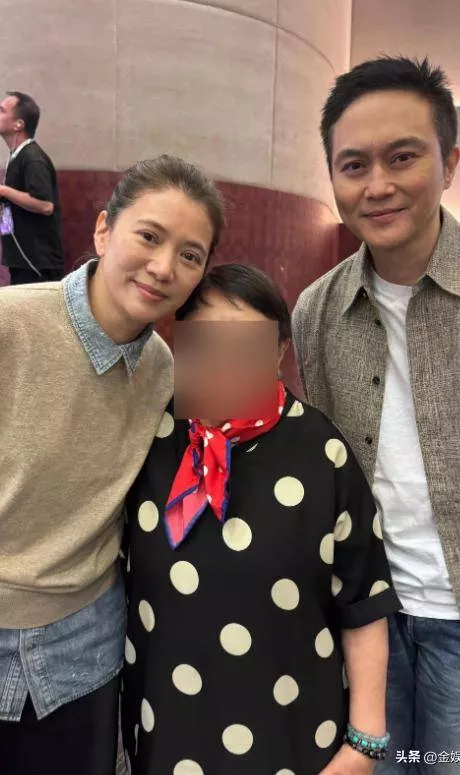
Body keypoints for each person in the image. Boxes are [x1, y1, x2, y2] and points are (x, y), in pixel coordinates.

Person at [292, 56, 460, 774]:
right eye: (354, 165)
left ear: (450, 162)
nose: (377, 185)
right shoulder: (315, 310)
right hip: (364, 616)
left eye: (402, 157)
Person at [122, 263, 401, 775]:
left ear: (278, 353)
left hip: (292, 730)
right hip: (167, 726)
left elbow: (363, 602)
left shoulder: (321, 452)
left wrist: (365, 743)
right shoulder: (150, 437)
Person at [0, 154, 225, 775]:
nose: (163, 267)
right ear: (103, 230)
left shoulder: (164, 370)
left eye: (190, 255)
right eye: (149, 236)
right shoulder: (12, 325)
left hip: (86, 648)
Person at [0, 91, 65, 283]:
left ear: (18, 124)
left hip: (37, 264)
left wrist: (3, 191)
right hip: (21, 261)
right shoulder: (16, 157)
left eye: (2, 111)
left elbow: (45, 205)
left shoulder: (32, 158)